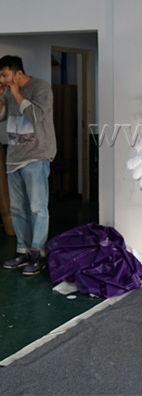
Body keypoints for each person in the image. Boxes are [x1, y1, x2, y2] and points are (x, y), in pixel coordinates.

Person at [0, 55, 56, 276]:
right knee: (16, 209)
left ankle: (37, 254)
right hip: (14, 157)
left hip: (36, 156)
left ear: (18, 73)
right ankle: (22, 251)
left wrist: (16, 94)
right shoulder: (7, 92)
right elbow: (2, 117)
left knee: (37, 208)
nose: (2, 79)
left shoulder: (41, 88)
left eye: (5, 75)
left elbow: (37, 116)